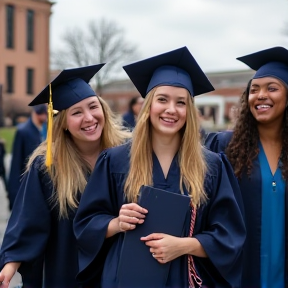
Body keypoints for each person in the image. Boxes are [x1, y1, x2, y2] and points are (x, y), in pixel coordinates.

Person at [74, 47, 246, 288]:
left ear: (190, 111)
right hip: (126, 279)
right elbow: (86, 224)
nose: (171, 110)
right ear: (148, 106)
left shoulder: (212, 166)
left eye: (181, 102)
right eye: (162, 99)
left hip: (187, 279)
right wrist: (116, 223)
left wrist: (183, 245)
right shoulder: (114, 161)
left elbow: (229, 236)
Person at [0, 64, 131, 288]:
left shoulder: (129, 153)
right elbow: (29, 221)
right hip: (70, 269)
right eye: (77, 113)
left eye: (93, 107)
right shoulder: (48, 167)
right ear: (62, 123)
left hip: (119, 268)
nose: (89, 118)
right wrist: (10, 265)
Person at [204, 46, 288, 288]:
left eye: (272, 88)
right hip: (237, 273)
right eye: (254, 89)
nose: (261, 95)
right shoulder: (224, 147)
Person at [7, 103, 47, 210]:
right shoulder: (23, 132)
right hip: (26, 186)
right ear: (39, 113)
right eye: (46, 114)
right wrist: (13, 194)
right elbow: (16, 164)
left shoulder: (44, 130)